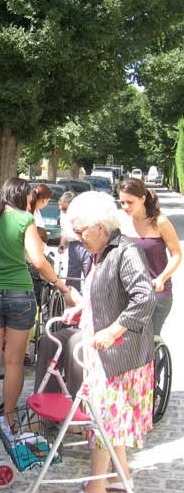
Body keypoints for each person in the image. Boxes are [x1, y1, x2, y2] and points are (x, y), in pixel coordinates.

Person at [64, 191, 156, 493]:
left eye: (81, 230)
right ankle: (120, 479)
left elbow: (144, 298)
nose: (78, 237)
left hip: (118, 358)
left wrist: (114, 330)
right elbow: (105, 292)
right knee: (110, 423)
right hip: (105, 357)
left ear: (100, 226)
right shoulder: (102, 252)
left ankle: (96, 487)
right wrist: (82, 308)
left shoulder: (125, 252)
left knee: (102, 423)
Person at [0, 177, 70, 441]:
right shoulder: (26, 221)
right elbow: (38, 261)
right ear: (23, 197)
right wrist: (61, 284)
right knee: (13, 361)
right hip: (20, 295)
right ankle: (10, 418)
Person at [119, 178, 181, 336]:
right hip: (128, 292)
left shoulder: (160, 222)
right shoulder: (121, 221)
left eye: (130, 202)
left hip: (156, 293)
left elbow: (176, 255)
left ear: (142, 199)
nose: (126, 207)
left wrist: (162, 278)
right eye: (122, 202)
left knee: (147, 341)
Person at [58, 191, 92, 291]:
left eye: (64, 208)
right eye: (60, 208)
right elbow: (64, 230)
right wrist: (62, 244)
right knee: (72, 275)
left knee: (89, 273)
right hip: (73, 246)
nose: (62, 210)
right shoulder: (63, 214)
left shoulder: (83, 213)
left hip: (85, 244)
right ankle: (71, 299)